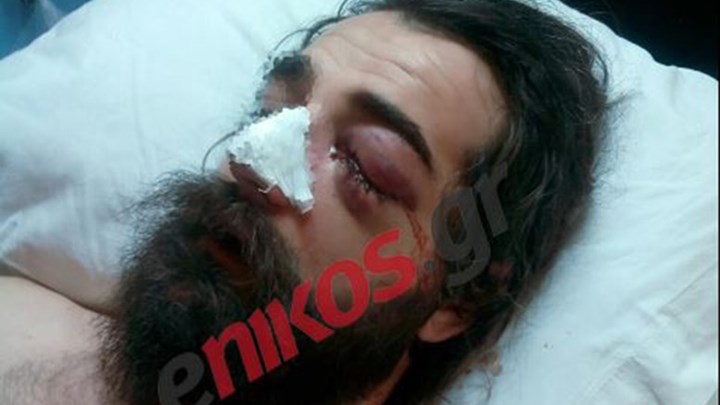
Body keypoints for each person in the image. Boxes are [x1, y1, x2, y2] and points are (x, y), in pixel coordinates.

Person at [0, 0, 608, 404]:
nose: (250, 159)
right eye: (270, 112)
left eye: (365, 166)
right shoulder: (27, 325)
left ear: (457, 297)